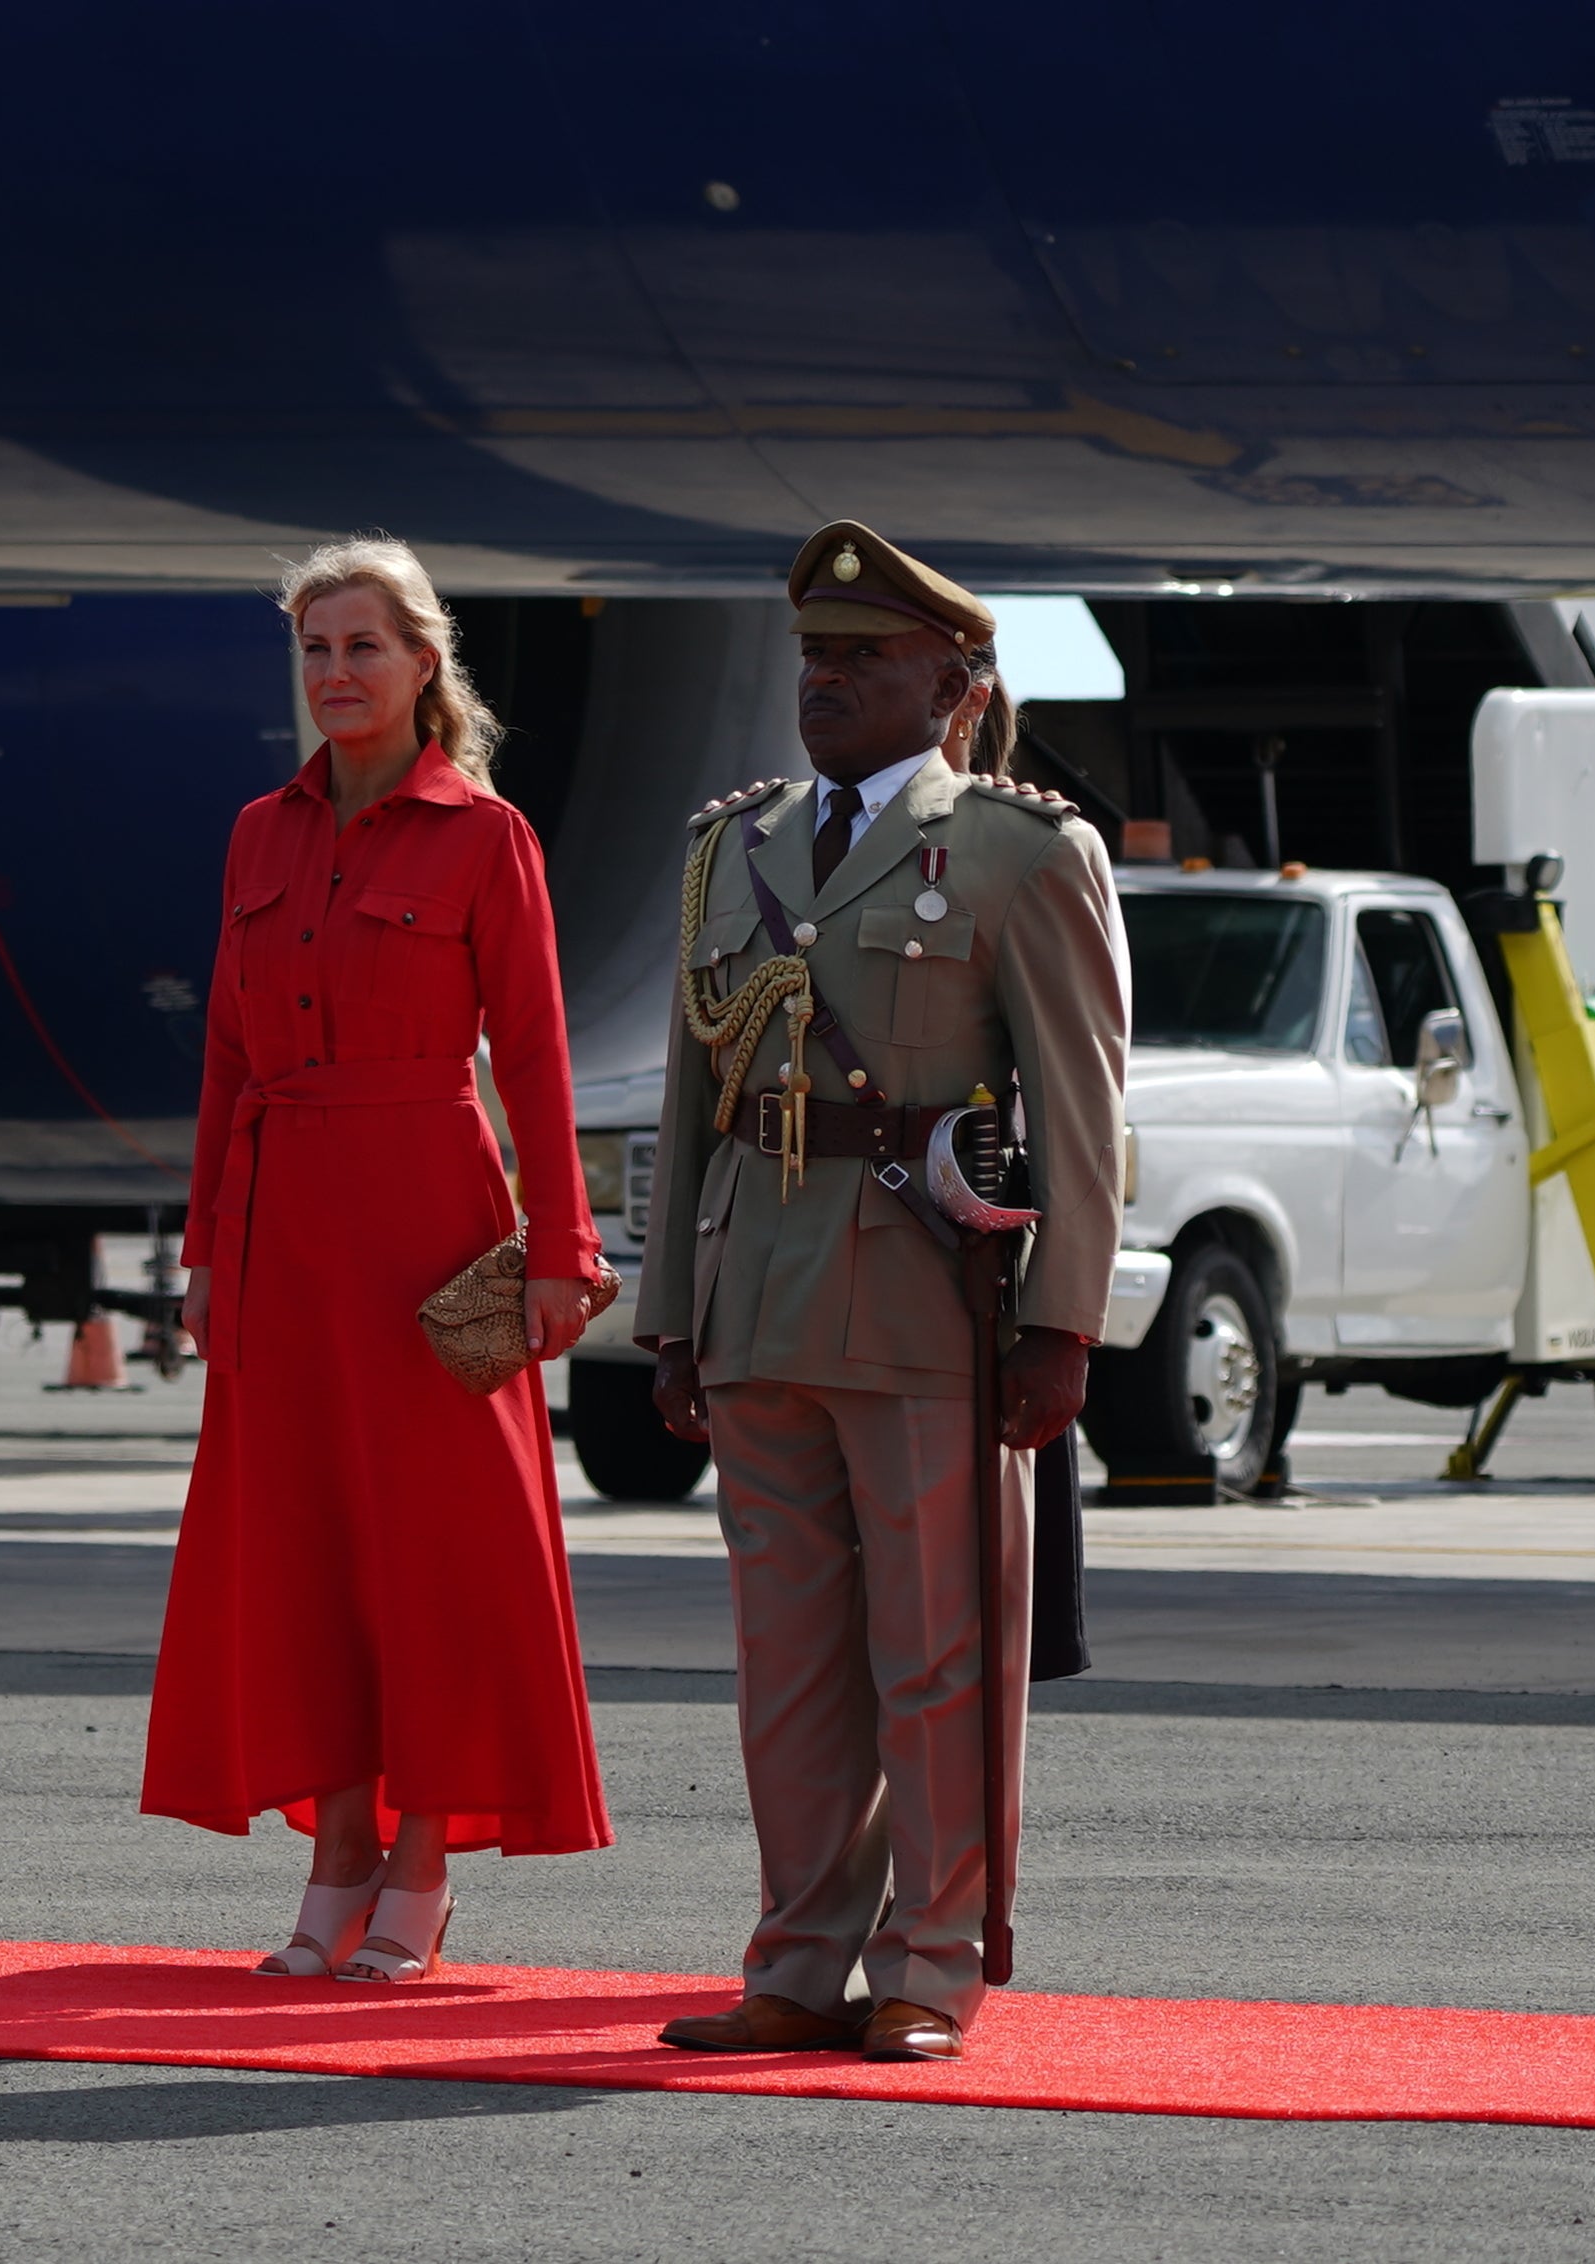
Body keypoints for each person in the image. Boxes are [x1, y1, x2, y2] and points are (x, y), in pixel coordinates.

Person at [634, 522, 1128, 2067]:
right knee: (786, 1661)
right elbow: (690, 1098)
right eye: (815, 655)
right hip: (761, 1293)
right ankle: (794, 1961)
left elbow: (1083, 1108)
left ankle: (927, 1966)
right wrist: (669, 1316)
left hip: (927, 1298)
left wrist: (1061, 1324)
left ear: (954, 683)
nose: (828, 678)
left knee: (933, 1653)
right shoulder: (736, 846)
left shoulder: (1020, 849)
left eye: (865, 656)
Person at [139, 539, 612, 1982]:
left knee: (436, 1556)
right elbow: (226, 1058)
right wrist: (208, 1246)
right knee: (302, 1551)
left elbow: (533, 1053)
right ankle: (337, 1845)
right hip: (284, 1228)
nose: (336, 675)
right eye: (315, 650)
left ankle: (419, 1859)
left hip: (429, 1222)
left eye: (363, 647)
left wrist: (560, 1247)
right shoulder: (254, 835)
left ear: (425, 666)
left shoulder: (487, 837)